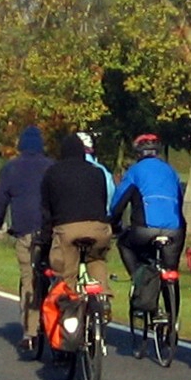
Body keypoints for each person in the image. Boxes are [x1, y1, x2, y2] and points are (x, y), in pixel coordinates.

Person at [0, 125, 52, 356]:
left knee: (29, 278)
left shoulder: (11, 168)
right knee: (57, 274)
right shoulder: (51, 166)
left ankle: (30, 332)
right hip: (51, 231)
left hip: (25, 230)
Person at [37, 131, 114, 316]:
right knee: (96, 259)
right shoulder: (97, 172)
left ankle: (69, 311)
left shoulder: (53, 173)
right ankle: (102, 297)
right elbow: (103, 201)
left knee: (67, 271)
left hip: (68, 230)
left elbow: (46, 210)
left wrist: (45, 238)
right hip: (98, 228)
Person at [110, 133, 187, 293]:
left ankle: (138, 280)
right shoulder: (171, 171)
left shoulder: (134, 171)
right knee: (170, 271)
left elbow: (118, 203)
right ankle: (172, 307)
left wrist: (114, 224)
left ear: (138, 153)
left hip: (144, 229)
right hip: (174, 231)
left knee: (124, 244)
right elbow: (180, 201)